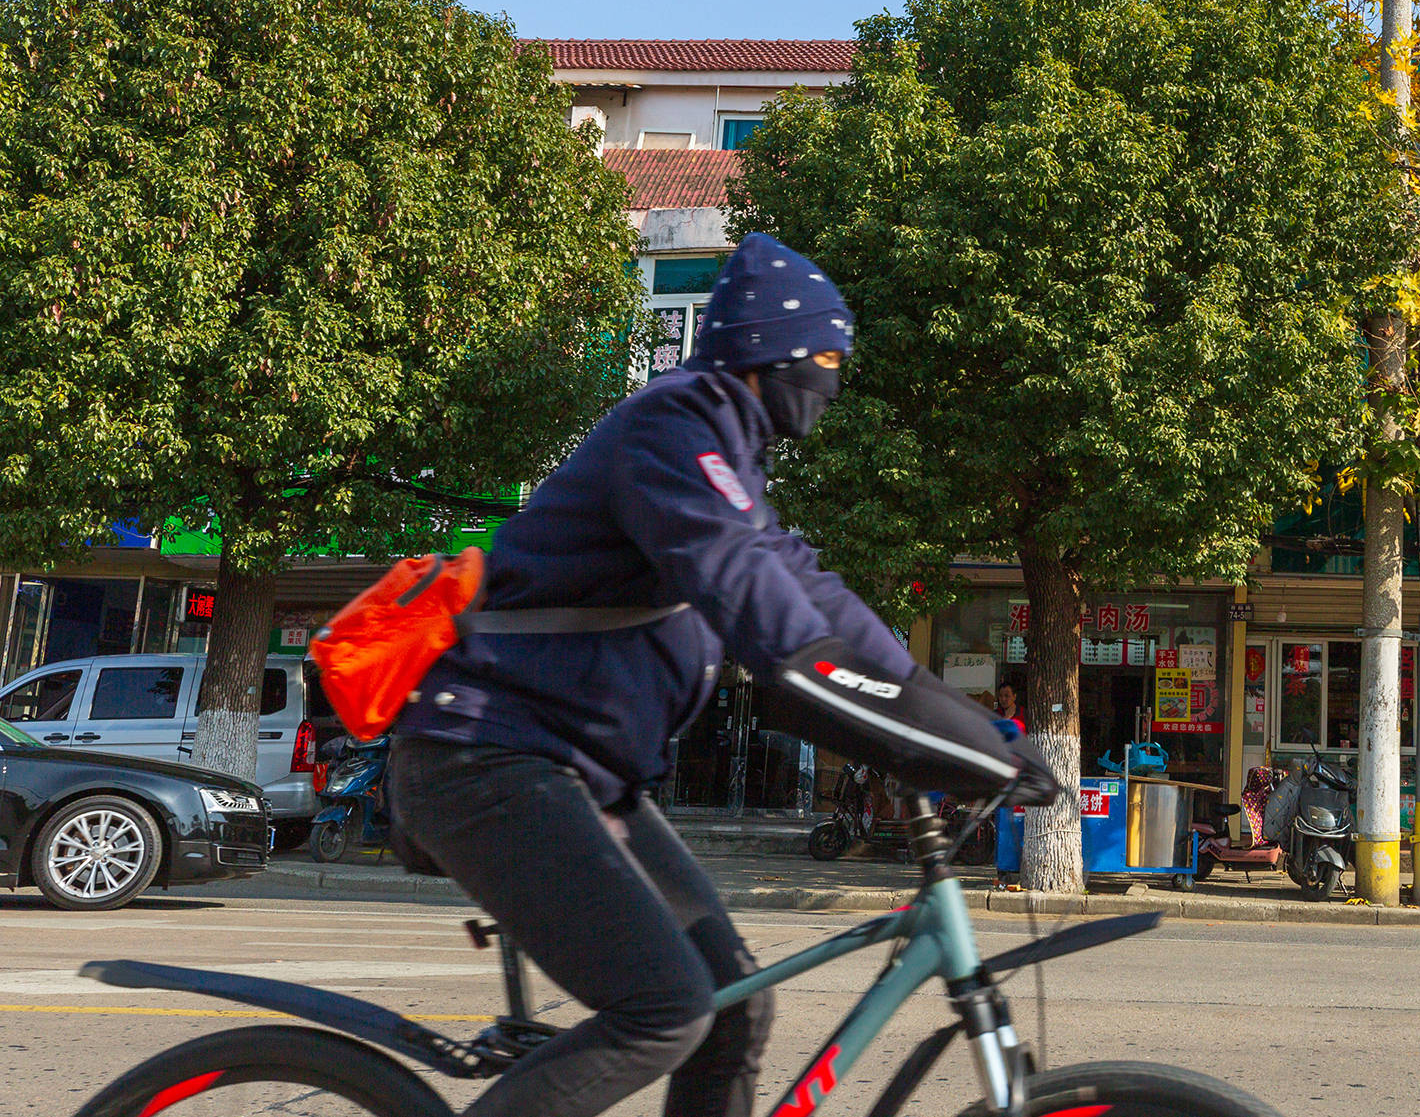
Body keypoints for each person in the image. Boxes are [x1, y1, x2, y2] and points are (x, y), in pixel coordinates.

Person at [388, 233, 1057, 1117]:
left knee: (734, 1009)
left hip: (577, 774)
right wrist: (945, 749)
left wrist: (972, 730)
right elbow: (784, 646)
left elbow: (825, 607)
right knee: (664, 1010)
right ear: (763, 349)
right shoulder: (675, 429)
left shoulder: (727, 456)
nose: (831, 378)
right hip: (489, 759)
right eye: (823, 355)